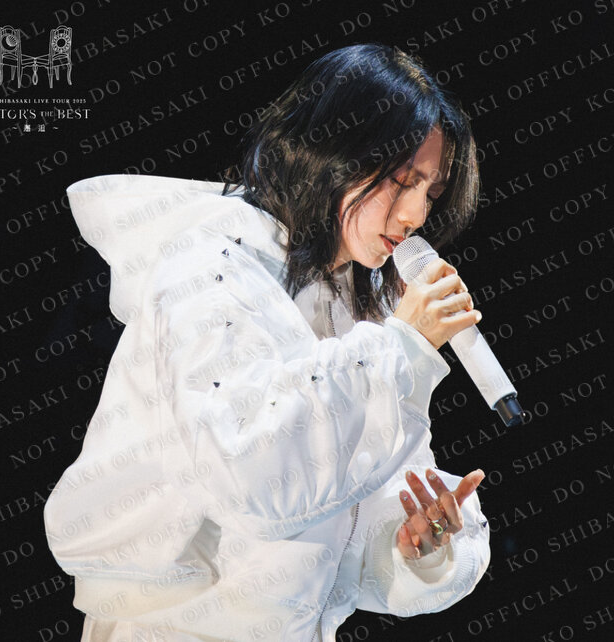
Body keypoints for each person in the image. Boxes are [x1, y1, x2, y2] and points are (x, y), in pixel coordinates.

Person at [44, 43, 491, 641]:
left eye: (430, 194)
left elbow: (349, 505)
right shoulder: (211, 267)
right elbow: (252, 474)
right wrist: (403, 348)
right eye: (402, 182)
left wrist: (414, 541)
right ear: (333, 155)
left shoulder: (361, 307)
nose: (415, 216)